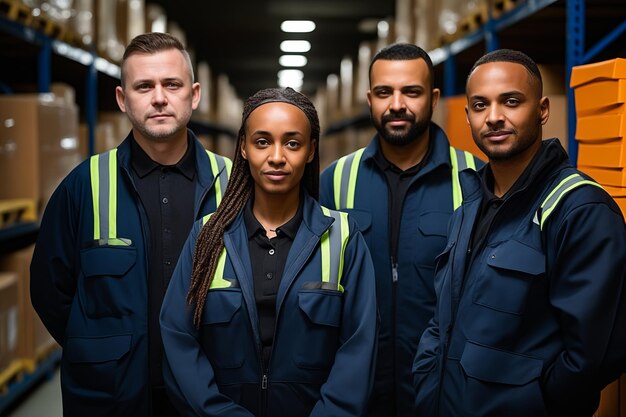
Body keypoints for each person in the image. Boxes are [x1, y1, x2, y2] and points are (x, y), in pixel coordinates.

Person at [412, 49, 626, 417]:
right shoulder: (469, 205)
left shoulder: (579, 209)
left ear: (543, 109)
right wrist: (426, 378)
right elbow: (442, 318)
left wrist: (535, 403)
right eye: (480, 105)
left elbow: (594, 354)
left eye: (511, 102)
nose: (494, 117)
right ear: (468, 116)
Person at [30, 32, 231, 417]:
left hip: (210, 394)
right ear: (123, 99)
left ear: (195, 94)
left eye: (172, 84)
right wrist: (97, 349)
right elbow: (49, 290)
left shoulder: (233, 184)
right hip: (112, 398)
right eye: (144, 86)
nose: (159, 97)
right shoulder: (84, 185)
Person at [160, 87, 378, 417]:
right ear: (244, 148)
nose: (277, 156)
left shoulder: (344, 237)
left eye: (292, 143)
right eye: (262, 141)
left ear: (310, 150)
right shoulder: (207, 236)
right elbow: (179, 337)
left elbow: (358, 350)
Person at [320, 43, 483, 416]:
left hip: (443, 388)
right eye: (384, 93)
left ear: (434, 98)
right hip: (356, 388)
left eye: (411, 92)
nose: (396, 104)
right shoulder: (335, 180)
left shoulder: (475, 178)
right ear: (369, 99)